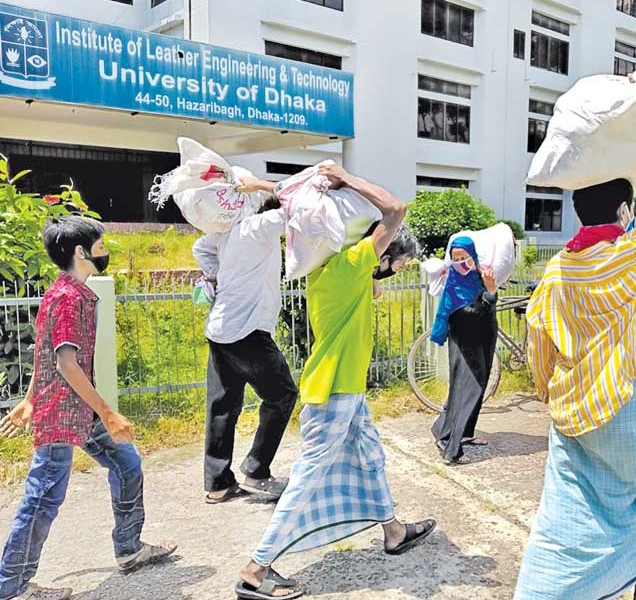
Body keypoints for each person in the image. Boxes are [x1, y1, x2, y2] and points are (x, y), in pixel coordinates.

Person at [514, 101, 636, 600]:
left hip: (571, 411)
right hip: (620, 405)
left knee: (563, 515)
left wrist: (546, 393)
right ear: (623, 210)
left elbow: (540, 346)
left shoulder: (555, 272)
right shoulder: (629, 253)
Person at [235, 164, 436, 600]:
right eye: (400, 262)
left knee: (370, 455)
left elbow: (293, 197)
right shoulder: (349, 267)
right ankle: (257, 567)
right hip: (334, 390)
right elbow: (396, 209)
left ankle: (394, 530)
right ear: (379, 252)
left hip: (346, 389)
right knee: (308, 476)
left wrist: (265, 185)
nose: (400, 269)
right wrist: (347, 179)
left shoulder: (331, 271)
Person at [0, 217, 176, 600]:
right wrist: (108, 412)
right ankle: (11, 587)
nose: (105, 251)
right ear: (80, 252)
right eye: (101, 245)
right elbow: (65, 364)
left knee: (127, 464)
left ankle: (129, 549)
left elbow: (45, 354)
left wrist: (30, 398)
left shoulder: (69, 292)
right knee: (43, 496)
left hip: (79, 409)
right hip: (63, 412)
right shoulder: (67, 298)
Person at [192, 184, 298, 504]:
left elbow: (200, 247)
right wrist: (270, 188)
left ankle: (218, 483)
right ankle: (257, 471)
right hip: (248, 332)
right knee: (282, 395)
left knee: (222, 406)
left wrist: (217, 275)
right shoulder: (259, 226)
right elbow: (297, 211)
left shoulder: (227, 232)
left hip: (220, 329)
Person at [429, 237, 499, 465]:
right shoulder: (454, 281)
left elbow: (488, 308)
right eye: (455, 258)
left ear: (473, 254)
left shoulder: (482, 275)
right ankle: (451, 446)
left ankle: (459, 432)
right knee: (468, 387)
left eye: (464, 257)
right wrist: (489, 294)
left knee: (478, 385)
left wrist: (490, 290)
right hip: (464, 338)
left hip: (485, 335)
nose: (460, 262)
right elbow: (466, 311)